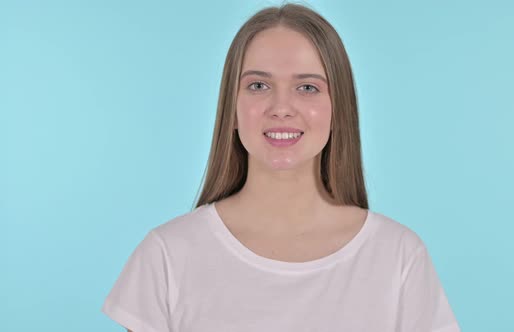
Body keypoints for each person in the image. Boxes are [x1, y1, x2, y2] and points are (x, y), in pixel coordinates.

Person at [101, 3, 461, 332]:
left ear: (339, 109)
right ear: (233, 108)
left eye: (307, 87)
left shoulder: (398, 257)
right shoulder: (167, 255)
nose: (281, 107)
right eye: (258, 85)